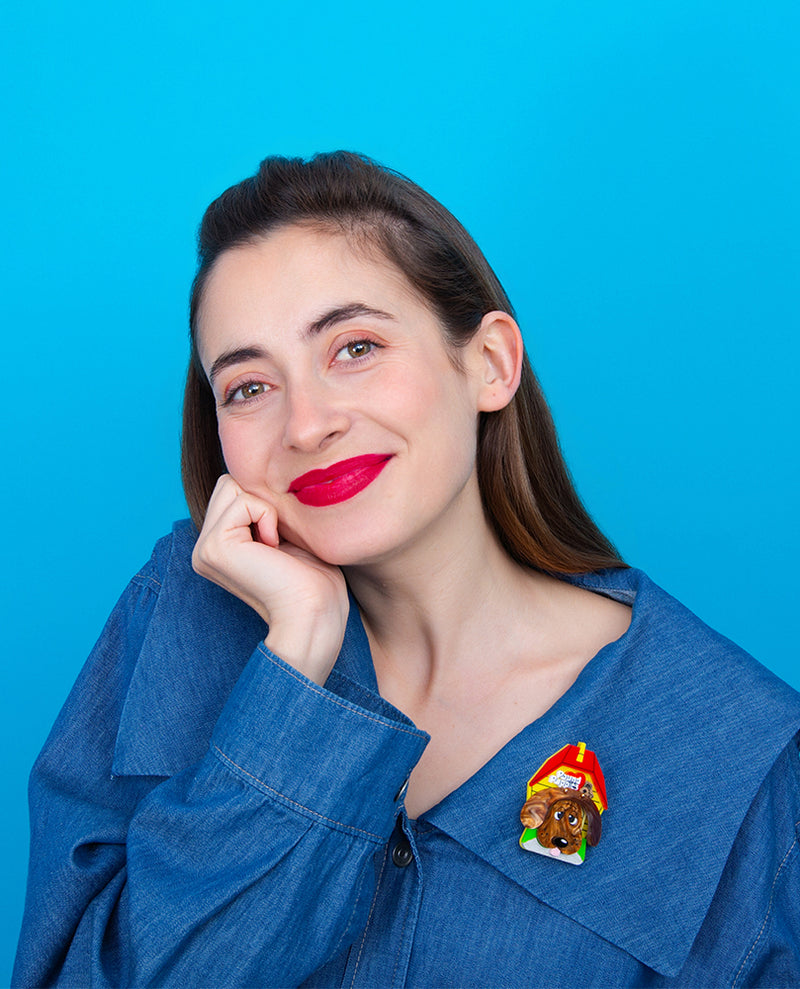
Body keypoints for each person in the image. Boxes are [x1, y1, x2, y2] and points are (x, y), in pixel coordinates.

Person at [13, 152, 800, 988]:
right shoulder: (175, 620)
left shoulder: (740, 754)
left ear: (489, 364)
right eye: (248, 387)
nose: (306, 424)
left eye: (355, 347)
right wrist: (295, 663)